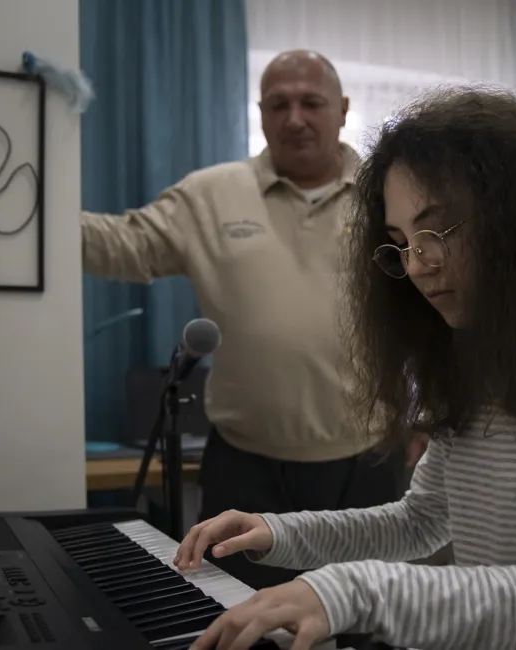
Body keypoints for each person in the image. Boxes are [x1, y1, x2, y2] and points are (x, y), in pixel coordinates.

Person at [174, 87, 516, 650]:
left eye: (435, 232)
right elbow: (421, 521)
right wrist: (277, 531)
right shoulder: (464, 360)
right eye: (400, 243)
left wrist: (350, 591)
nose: (417, 265)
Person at [81, 50, 405, 590]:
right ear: (259, 113)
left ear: (344, 109)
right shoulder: (212, 195)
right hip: (246, 468)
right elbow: (127, 244)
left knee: (368, 620)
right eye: (278, 104)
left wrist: (432, 414)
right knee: (242, 618)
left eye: (311, 102)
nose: (294, 118)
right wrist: (32, 213)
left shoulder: (388, 196)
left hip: (366, 466)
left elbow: (436, 302)